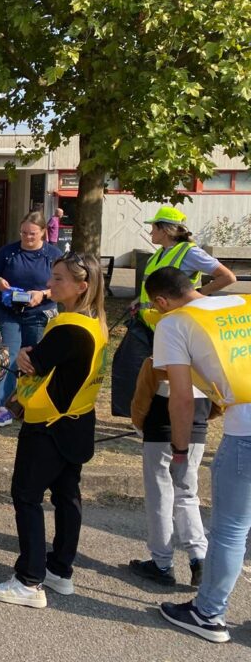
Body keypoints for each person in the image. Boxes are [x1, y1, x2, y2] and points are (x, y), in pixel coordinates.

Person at [0, 253, 107, 609]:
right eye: (52, 277)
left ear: (82, 286)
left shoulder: (68, 327)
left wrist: (25, 356)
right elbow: (38, 358)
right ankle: (60, 569)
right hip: (78, 419)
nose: (50, 284)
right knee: (67, 496)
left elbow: (32, 362)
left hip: (49, 424)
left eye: (58, 279)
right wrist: (30, 356)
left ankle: (29, 579)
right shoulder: (94, 322)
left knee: (26, 496)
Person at [146, 267, 251, 644]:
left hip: (246, 433)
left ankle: (208, 614)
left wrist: (179, 450)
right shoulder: (242, 303)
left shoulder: (174, 323)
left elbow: (181, 398)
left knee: (231, 530)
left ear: (161, 302)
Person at [110, 205, 235, 418]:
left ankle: (181, 417)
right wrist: (138, 301)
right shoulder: (159, 254)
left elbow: (228, 277)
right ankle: (140, 417)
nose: (150, 231)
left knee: (170, 377)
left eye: (154, 227)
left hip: (174, 326)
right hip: (148, 323)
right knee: (130, 366)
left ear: (165, 230)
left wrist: (198, 294)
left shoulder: (190, 252)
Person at [128, 356, 213, 587]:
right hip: (196, 433)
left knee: (160, 497)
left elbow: (140, 403)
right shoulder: (208, 361)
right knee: (187, 495)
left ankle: (162, 562)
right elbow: (219, 403)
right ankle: (200, 558)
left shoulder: (155, 362)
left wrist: (140, 427)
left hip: (160, 433)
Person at [0, 212, 63, 427]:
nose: (27, 237)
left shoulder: (54, 255)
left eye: (32, 233)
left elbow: (62, 286)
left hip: (40, 314)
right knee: (8, 357)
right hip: (8, 313)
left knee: (35, 358)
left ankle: (31, 401)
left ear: (43, 232)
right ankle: (2, 405)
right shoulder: (8, 252)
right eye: (24, 233)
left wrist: (42, 294)